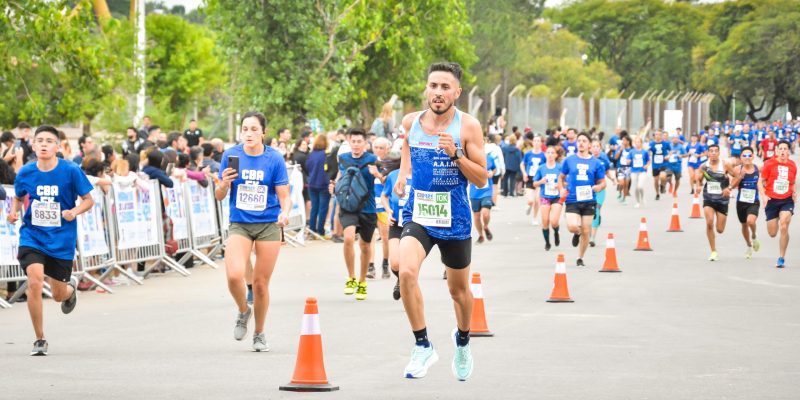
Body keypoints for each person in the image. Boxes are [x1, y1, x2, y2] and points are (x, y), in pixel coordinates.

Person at [393, 62, 484, 381]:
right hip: (419, 213)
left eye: (445, 87)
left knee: (458, 292)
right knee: (405, 271)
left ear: (457, 93)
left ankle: (462, 340)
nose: (438, 93)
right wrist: (403, 173)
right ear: (426, 89)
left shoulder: (468, 127)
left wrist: (457, 155)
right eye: (433, 86)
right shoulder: (411, 121)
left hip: (455, 219)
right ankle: (422, 345)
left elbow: (483, 178)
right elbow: (407, 144)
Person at [7, 125, 95, 355]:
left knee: (58, 295)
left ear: (58, 147)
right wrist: (14, 211)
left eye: (49, 141)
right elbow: (18, 196)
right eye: (40, 141)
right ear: (33, 146)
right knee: (35, 281)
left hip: (61, 240)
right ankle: (39, 338)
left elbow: (88, 199)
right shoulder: (26, 172)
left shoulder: (71, 170)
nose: (44, 144)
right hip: (32, 236)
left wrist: (74, 212)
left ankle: (70, 290)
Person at [215, 111, 290, 352]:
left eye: (254, 129)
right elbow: (219, 195)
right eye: (245, 129)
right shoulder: (231, 155)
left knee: (259, 284)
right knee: (235, 275)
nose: (249, 133)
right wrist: (224, 183)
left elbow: (284, 196)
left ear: (263, 133)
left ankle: (259, 333)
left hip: (268, 223)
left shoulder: (274, 159)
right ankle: (243, 310)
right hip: (240, 223)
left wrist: (284, 212)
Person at [329, 128, 382, 301]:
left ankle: (361, 281)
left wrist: (378, 175)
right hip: (349, 206)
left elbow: (384, 180)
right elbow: (340, 177)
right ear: (349, 142)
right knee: (349, 238)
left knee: (365, 246)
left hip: (367, 207)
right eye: (354, 141)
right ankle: (351, 278)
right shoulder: (343, 159)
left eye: (360, 142)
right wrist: (334, 187)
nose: (357, 145)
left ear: (365, 143)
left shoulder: (372, 159)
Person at [558, 132, 606, 267]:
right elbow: (561, 177)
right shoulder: (569, 160)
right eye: (579, 140)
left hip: (589, 200)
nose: (581, 143)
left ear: (589, 145)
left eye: (584, 141)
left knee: (586, 230)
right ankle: (576, 233)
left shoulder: (596, 163)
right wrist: (561, 189)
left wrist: (598, 187)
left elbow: (603, 182)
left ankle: (580, 257)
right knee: (572, 226)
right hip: (572, 198)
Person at [759, 141, 797, 268]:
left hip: (786, 200)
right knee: (772, 233)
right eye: (780, 148)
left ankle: (781, 257)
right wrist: (764, 196)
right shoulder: (769, 164)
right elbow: (760, 182)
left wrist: (794, 192)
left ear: (788, 152)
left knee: (784, 225)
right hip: (772, 200)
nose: (782, 151)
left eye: (785, 149)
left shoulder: (792, 165)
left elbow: (792, 182)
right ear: (776, 150)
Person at [695, 144, 735, 261]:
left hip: (722, 200)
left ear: (718, 153)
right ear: (708, 153)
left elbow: (736, 176)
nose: (713, 153)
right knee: (709, 222)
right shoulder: (704, 166)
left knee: (720, 230)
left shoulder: (725, 165)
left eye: (715, 151)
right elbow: (699, 178)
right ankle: (713, 251)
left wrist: (730, 188)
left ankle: (715, 245)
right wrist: (698, 186)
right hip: (709, 198)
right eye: (711, 151)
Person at [381, 149, 409, 301]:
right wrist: (388, 211)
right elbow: (384, 196)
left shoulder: (421, 175)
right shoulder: (393, 176)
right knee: (396, 263)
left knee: (409, 265)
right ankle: (401, 280)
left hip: (414, 225)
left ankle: (407, 284)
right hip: (396, 223)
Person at [728, 147, 761, 259]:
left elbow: (763, 184)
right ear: (740, 158)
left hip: (754, 201)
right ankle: (748, 245)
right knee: (744, 225)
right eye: (744, 155)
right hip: (741, 202)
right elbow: (732, 186)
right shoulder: (737, 169)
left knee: (750, 221)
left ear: (753, 156)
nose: (747, 158)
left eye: (749, 155)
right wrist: (740, 176)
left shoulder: (758, 169)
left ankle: (754, 236)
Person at [368, 137, 392, 279]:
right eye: (375, 147)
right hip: (370, 204)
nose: (377, 150)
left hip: (383, 205)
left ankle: (385, 263)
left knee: (385, 236)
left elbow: (389, 183)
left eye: (381, 148)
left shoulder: (390, 163)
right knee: (369, 236)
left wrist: (377, 174)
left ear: (387, 149)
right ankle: (370, 266)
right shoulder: (368, 161)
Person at [533, 146, 562, 250]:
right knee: (545, 221)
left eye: (552, 153)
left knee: (554, 221)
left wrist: (560, 185)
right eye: (548, 153)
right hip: (545, 196)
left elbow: (567, 182)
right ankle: (547, 242)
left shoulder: (560, 167)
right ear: (545, 155)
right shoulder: (541, 168)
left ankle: (556, 232)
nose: (550, 155)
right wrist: (541, 181)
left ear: (556, 155)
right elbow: (534, 183)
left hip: (557, 196)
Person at [589, 139, 615, 247]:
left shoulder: (604, 158)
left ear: (600, 148)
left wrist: (613, 179)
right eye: (593, 146)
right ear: (590, 148)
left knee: (596, 211)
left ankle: (592, 238)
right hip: (588, 189)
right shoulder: (587, 159)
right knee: (588, 212)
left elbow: (607, 171)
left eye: (597, 146)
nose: (595, 148)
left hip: (600, 189)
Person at [306, 134, 330, 236]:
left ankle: (312, 230)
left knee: (314, 207)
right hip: (323, 184)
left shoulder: (311, 154)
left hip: (312, 184)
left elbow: (307, 167)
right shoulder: (326, 154)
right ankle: (320, 230)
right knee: (323, 208)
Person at [469, 150, 496, 243]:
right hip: (474, 193)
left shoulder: (489, 157)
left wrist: (492, 173)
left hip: (487, 191)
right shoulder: (470, 158)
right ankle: (481, 235)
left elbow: (494, 169)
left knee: (485, 213)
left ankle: (486, 226)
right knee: (476, 216)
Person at [521, 136, 546, 224]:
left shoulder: (543, 155)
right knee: (531, 200)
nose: (536, 142)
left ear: (541, 143)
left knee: (537, 200)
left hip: (539, 179)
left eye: (538, 141)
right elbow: (522, 164)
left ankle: (534, 218)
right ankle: (529, 204)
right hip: (529, 178)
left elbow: (546, 167)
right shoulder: (528, 154)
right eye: (535, 141)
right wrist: (524, 173)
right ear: (532, 142)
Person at [649, 131, 671, 200]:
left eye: (659, 134)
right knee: (656, 180)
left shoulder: (666, 143)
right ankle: (657, 193)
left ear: (661, 136)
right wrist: (649, 152)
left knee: (663, 176)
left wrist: (668, 156)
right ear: (654, 136)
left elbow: (670, 151)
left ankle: (662, 185)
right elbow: (649, 151)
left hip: (663, 163)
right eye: (656, 134)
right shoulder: (652, 143)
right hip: (655, 164)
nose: (658, 136)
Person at [629, 136, 650, 208]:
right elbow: (628, 159)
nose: (637, 143)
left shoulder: (644, 152)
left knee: (640, 186)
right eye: (636, 142)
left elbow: (649, 160)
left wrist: (647, 165)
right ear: (634, 143)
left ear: (641, 143)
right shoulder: (632, 151)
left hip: (642, 171)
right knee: (636, 188)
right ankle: (637, 202)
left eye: (639, 142)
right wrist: (628, 161)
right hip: (634, 171)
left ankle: (643, 197)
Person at [614, 136, 633, 203]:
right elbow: (615, 157)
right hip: (621, 167)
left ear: (628, 141)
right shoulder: (620, 148)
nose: (623, 142)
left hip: (628, 168)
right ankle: (620, 193)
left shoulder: (632, 149)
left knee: (626, 184)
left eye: (624, 140)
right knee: (621, 183)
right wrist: (620, 150)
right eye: (622, 140)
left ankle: (624, 198)